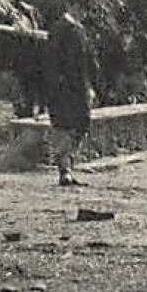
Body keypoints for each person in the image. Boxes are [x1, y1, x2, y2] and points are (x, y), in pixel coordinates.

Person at [44, 13, 95, 186]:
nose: (83, 12)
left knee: (81, 124)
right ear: (74, 7)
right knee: (63, 126)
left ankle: (68, 167)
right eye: (80, 7)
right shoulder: (60, 30)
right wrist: (57, 84)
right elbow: (51, 62)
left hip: (77, 88)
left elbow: (85, 62)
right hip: (64, 89)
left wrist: (88, 85)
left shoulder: (78, 30)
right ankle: (64, 171)